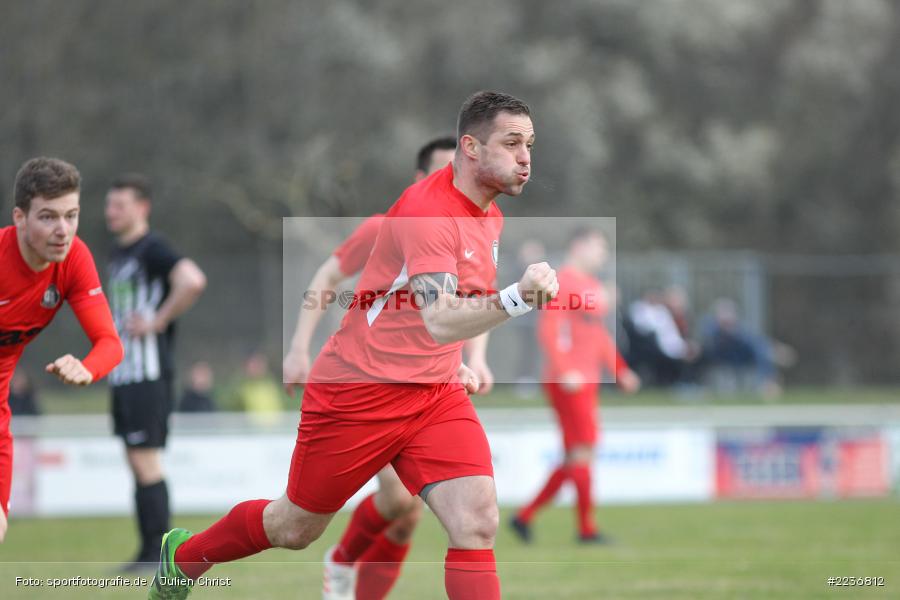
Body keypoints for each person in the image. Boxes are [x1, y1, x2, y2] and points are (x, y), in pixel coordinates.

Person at [149, 91, 556, 600]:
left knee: (476, 521)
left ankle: (347, 573)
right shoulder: (427, 212)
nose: (525, 157)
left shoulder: (489, 216)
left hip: (433, 395)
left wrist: (458, 361)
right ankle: (184, 558)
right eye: (512, 143)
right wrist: (519, 297)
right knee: (294, 526)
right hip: (358, 392)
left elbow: (454, 309)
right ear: (470, 147)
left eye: (530, 145)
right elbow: (439, 318)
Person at [282, 136, 495, 600]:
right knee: (397, 501)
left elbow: (475, 301)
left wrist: (473, 359)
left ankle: (349, 570)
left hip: (430, 385)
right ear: (420, 178)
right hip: (369, 378)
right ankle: (342, 560)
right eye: (445, 170)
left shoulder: (475, 225)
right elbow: (327, 277)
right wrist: (298, 348)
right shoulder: (390, 225)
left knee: (408, 518)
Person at [0, 157, 123, 542]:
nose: (63, 230)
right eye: (48, 217)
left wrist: (88, 368)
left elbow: (110, 344)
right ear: (19, 218)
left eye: (71, 216)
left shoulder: (74, 259)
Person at [511, 228, 640, 543]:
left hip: (584, 378)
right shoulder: (563, 282)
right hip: (570, 381)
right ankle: (586, 530)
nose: (603, 254)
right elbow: (549, 328)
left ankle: (524, 517)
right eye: (598, 247)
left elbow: (597, 335)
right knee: (584, 450)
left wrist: (620, 369)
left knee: (576, 455)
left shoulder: (591, 285)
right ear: (579, 246)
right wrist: (564, 369)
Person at [105, 173, 207, 570]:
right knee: (136, 460)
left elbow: (192, 280)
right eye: (109, 204)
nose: (111, 212)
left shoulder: (152, 248)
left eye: (120, 205)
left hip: (147, 374)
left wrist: (158, 320)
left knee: (146, 461)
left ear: (142, 208)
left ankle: (160, 554)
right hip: (124, 374)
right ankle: (148, 551)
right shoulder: (120, 253)